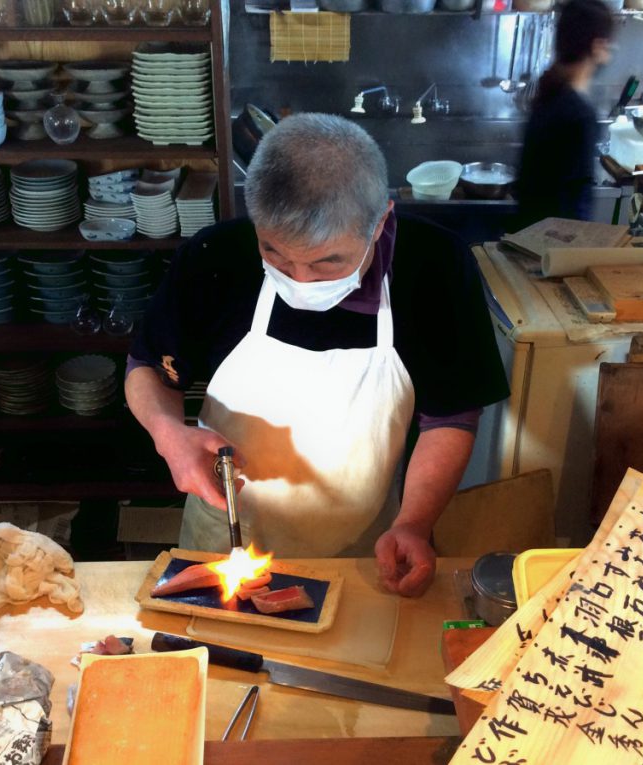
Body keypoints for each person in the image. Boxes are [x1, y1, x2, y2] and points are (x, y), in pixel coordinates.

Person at [125, 113, 508, 597]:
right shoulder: (216, 257)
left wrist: (413, 523)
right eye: (277, 254)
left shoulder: (435, 266)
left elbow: (450, 416)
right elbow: (148, 369)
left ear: (380, 221)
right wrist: (167, 433)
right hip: (223, 544)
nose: (300, 280)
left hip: (367, 552)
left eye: (329, 262)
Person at [515, 0, 615, 226]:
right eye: (608, 46)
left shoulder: (549, 93)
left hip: (529, 233)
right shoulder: (579, 114)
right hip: (555, 245)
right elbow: (577, 204)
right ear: (597, 46)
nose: (608, 56)